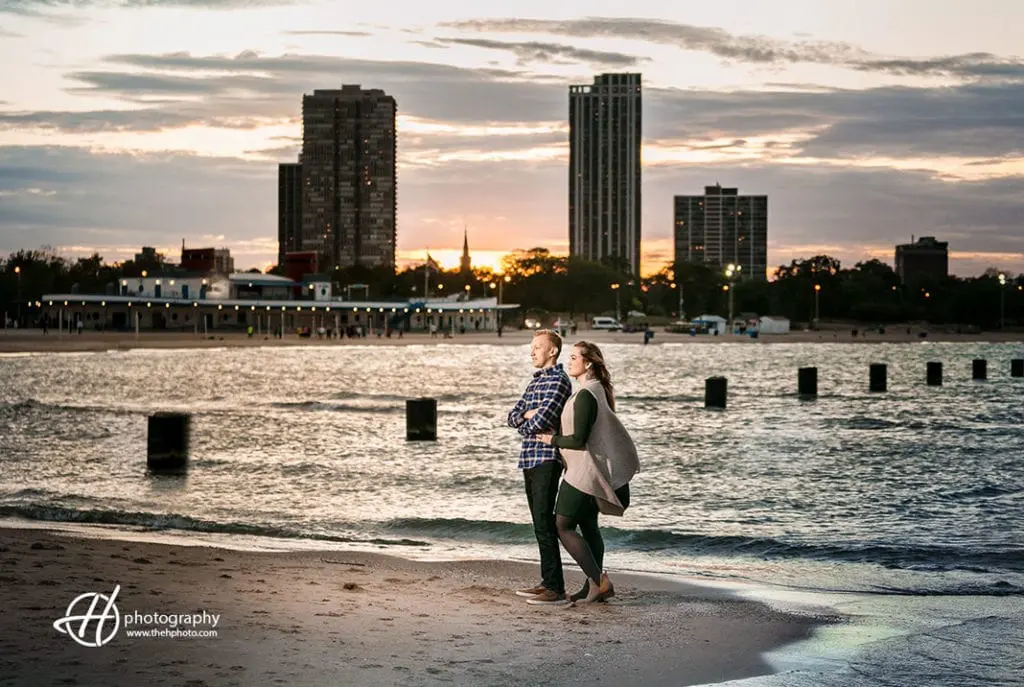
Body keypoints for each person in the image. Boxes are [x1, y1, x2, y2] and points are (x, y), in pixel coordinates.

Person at [537, 341, 639, 604]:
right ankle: (591, 588)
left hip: (583, 473)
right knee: (588, 525)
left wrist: (551, 440)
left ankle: (599, 582)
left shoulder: (586, 395)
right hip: (586, 471)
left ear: (588, 363)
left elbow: (579, 439)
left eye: (573, 358)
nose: (569, 361)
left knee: (562, 525)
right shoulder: (592, 390)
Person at [507, 329, 573, 606]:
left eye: (537, 347)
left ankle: (556, 589)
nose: (532, 352)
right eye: (532, 347)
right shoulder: (534, 383)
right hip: (528, 458)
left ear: (552, 351)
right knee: (538, 524)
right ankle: (548, 582)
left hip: (547, 458)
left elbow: (541, 419)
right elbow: (511, 417)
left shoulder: (559, 381)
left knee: (545, 523)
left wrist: (528, 419)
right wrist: (526, 416)